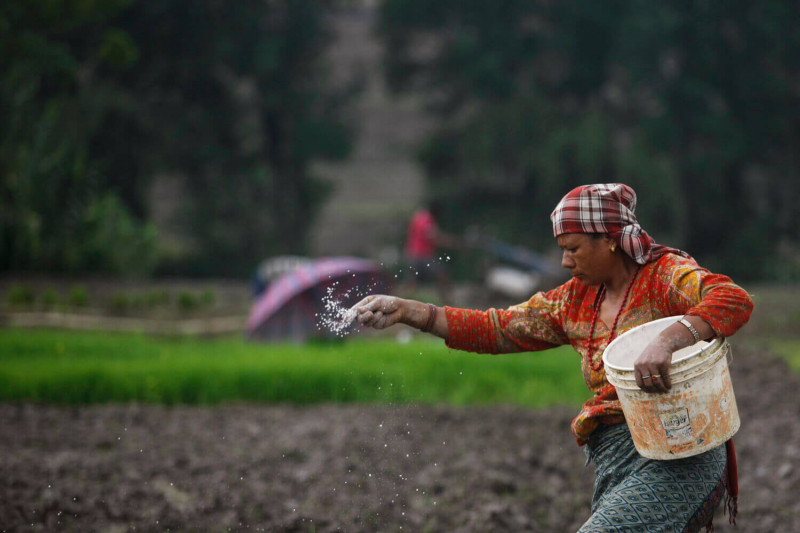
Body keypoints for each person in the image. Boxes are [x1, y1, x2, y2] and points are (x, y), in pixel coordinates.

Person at [354, 183, 753, 532]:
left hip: (682, 452)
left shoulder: (665, 276)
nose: (565, 261)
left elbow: (732, 299)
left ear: (610, 239)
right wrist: (409, 311)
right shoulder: (575, 300)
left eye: (573, 249)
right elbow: (499, 327)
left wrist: (668, 340)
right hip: (616, 459)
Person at [402, 200, 459, 302]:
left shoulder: (419, 216)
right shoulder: (427, 221)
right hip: (422, 255)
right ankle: (448, 301)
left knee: (411, 283)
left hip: (412, 253)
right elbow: (435, 238)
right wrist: (452, 243)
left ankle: (401, 303)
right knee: (442, 275)